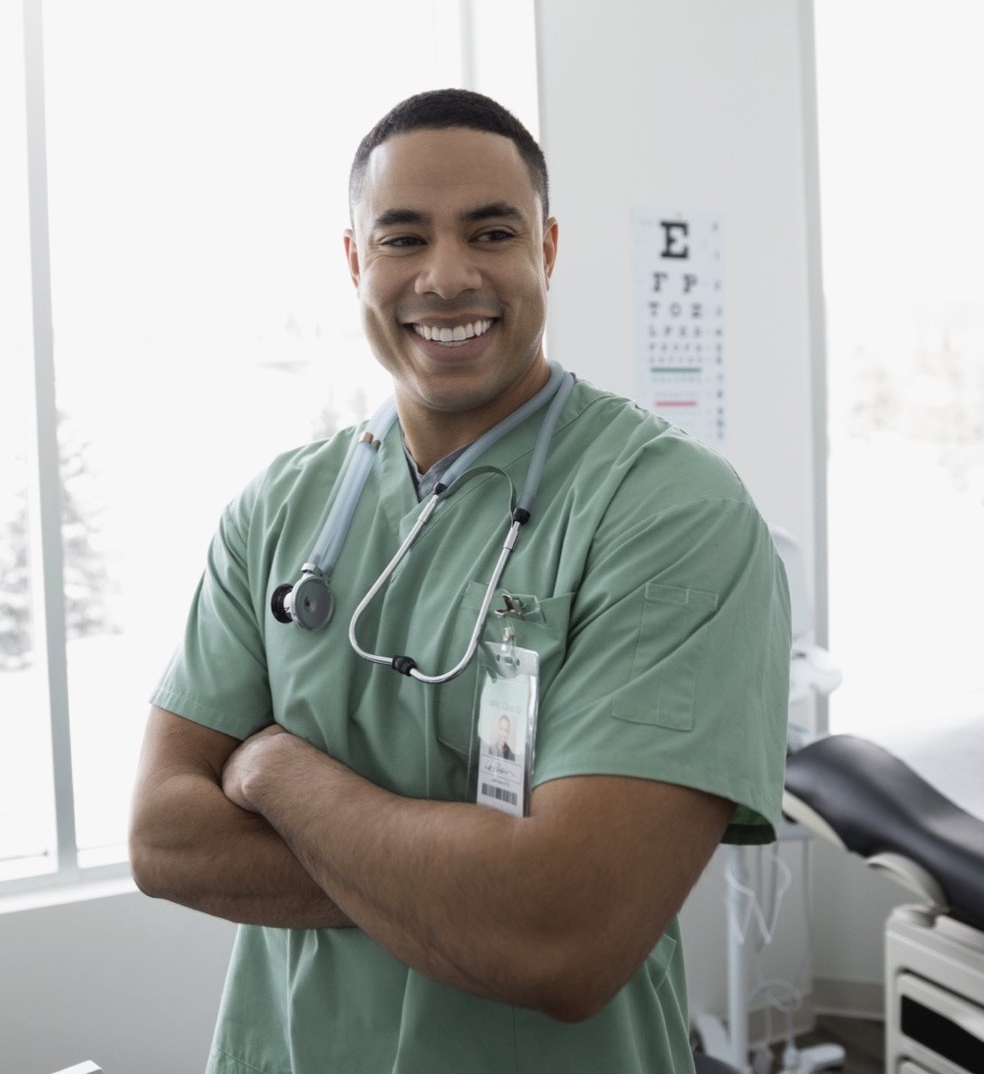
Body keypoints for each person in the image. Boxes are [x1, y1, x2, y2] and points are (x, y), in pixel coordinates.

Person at [129, 89, 791, 1074]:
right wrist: (474, 893)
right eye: (402, 238)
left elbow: (562, 938)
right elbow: (164, 838)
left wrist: (274, 770)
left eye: (490, 231)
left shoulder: (668, 512)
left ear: (547, 250)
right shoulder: (278, 507)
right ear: (356, 261)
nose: (446, 276)